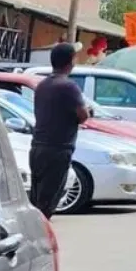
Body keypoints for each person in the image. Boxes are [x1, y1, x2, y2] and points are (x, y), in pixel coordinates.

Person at [29, 41, 89, 219]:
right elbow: (83, 115)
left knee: (37, 197)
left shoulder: (43, 85)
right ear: (70, 61)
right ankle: (39, 239)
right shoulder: (69, 86)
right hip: (58, 150)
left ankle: (35, 232)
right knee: (47, 202)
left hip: (38, 148)